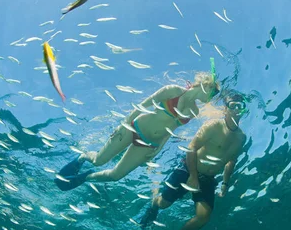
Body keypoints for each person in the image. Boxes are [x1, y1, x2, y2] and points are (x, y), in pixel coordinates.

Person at [54, 70, 220, 191]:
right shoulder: (173, 91)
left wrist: (158, 149)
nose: (212, 99)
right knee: (99, 160)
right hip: (133, 127)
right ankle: (83, 157)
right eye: (213, 93)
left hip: (149, 144)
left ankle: (84, 177)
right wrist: (123, 124)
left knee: (115, 176)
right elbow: (144, 104)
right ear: (206, 85)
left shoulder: (194, 111)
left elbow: (171, 129)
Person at [139, 91, 247, 230]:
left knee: (203, 217)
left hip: (208, 179)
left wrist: (225, 183)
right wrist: (193, 177)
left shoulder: (241, 138)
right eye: (233, 106)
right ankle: (154, 203)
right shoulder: (213, 126)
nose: (237, 109)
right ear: (225, 109)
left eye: (241, 106)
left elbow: (231, 161)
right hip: (188, 169)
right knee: (164, 204)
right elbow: (191, 148)